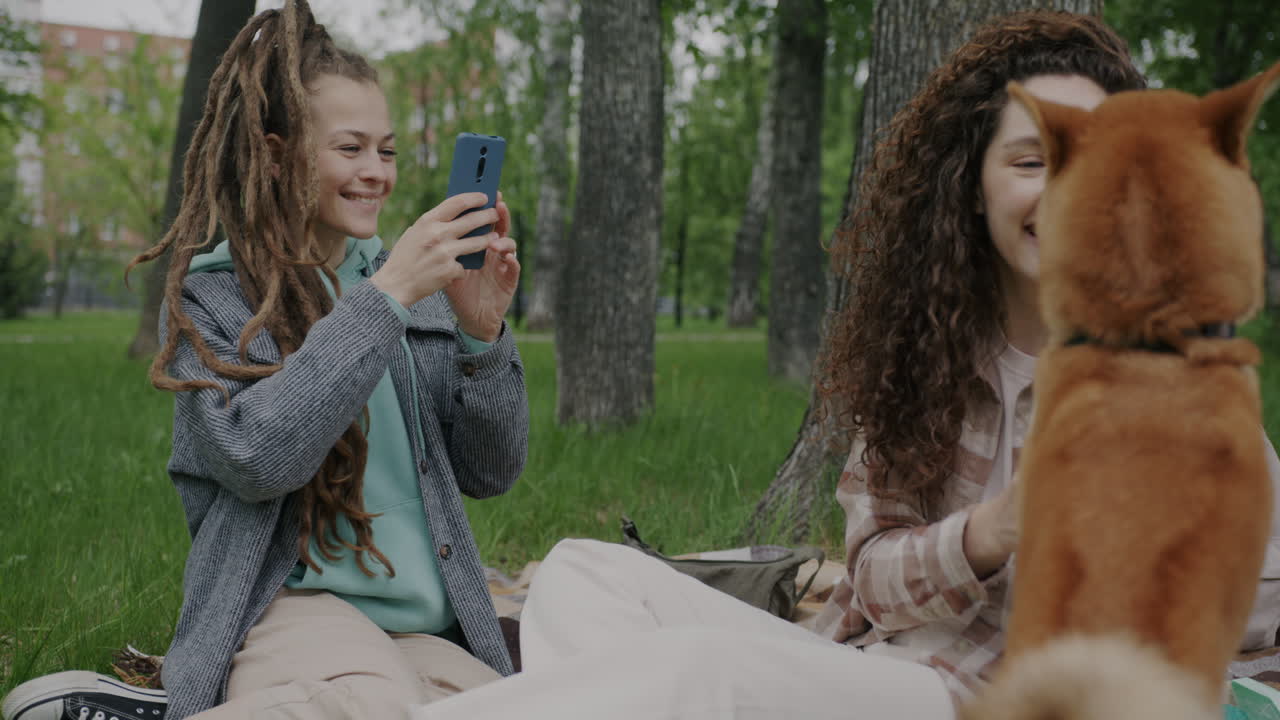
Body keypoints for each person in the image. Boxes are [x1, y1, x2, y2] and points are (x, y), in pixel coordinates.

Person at [404, 9, 1280, 720]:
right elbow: (872, 577)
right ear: (972, 185)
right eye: (1030, 160)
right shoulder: (930, 345)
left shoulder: (1171, 370)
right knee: (583, 572)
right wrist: (994, 530)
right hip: (865, 664)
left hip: (977, 698)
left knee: (703, 671)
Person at [0, 2, 526, 719]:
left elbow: (491, 472)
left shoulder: (418, 288)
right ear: (278, 155)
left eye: (387, 151)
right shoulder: (213, 298)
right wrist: (386, 298)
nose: (376, 172)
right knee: (372, 708)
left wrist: (481, 336)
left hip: (420, 624)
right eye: (350, 148)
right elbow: (255, 458)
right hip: (291, 606)